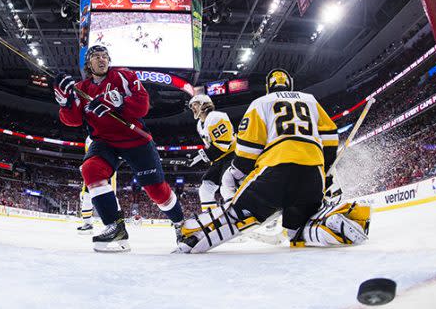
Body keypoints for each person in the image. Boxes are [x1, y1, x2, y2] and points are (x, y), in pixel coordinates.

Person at [176, 68, 369, 253]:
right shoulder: (310, 100)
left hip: (275, 171)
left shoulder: (261, 103)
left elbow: (248, 149)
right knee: (297, 233)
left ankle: (193, 233)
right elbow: (330, 136)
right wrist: (324, 170)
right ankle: (328, 225)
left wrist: (238, 171)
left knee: (235, 204)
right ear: (290, 85)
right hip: (311, 173)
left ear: (269, 87)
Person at [54, 44, 184, 252]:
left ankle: (180, 225)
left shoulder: (124, 76)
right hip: (104, 141)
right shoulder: (82, 88)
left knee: (157, 191)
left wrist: (118, 103)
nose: (102, 59)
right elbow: (73, 121)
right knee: (90, 170)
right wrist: (64, 101)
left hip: (136, 139)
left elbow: (142, 105)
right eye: (96, 56)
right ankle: (115, 228)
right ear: (88, 62)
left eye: (105, 56)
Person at [187, 94, 236, 211]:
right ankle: (209, 217)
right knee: (205, 188)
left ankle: (237, 213)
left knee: (227, 186)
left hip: (232, 155)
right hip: (219, 159)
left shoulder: (216, 117)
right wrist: (196, 157)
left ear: (204, 104)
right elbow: (210, 146)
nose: (193, 108)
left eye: (195, 105)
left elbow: (223, 145)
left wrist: (200, 157)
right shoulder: (200, 124)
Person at [77, 136, 119, 235]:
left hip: (106, 168)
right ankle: (87, 224)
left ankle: (117, 225)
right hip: (92, 168)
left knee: (112, 196)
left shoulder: (108, 133)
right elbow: (88, 154)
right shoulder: (88, 138)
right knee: (86, 197)